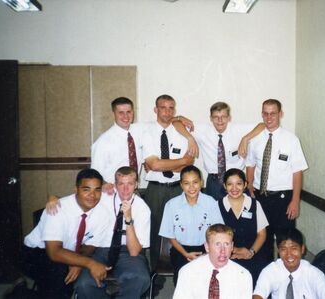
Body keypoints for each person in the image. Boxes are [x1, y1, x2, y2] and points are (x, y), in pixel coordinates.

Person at [23, 169, 111, 299]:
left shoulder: (103, 213)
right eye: (86, 189)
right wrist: (89, 263)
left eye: (97, 190)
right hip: (36, 252)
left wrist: (78, 263)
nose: (92, 195)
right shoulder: (58, 209)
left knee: (74, 276)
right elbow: (53, 252)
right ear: (76, 189)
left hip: (68, 253)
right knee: (60, 274)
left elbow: (89, 246)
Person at [91, 97, 197, 195]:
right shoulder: (103, 141)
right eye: (121, 113)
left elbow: (167, 120)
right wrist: (104, 184)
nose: (126, 116)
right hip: (113, 192)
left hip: (134, 191)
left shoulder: (139, 129)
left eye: (128, 112)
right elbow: (94, 173)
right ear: (113, 114)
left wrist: (187, 133)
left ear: (133, 112)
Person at [73, 167, 151, 299]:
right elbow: (77, 198)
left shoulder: (143, 209)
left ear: (136, 185)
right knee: (84, 283)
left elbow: (134, 252)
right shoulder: (102, 197)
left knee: (140, 278)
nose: (125, 189)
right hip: (99, 249)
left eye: (130, 184)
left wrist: (128, 220)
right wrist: (54, 198)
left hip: (127, 251)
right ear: (115, 185)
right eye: (121, 184)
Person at [246, 99, 308, 261]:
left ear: (280, 114)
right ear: (262, 114)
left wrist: (295, 201)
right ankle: (263, 276)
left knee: (285, 242)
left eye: (273, 113)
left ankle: (284, 276)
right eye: (265, 113)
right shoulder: (256, 139)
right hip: (260, 199)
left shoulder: (291, 140)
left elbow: (297, 172)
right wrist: (250, 188)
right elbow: (250, 165)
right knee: (262, 240)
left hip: (283, 200)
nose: (269, 117)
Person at [142, 94, 196, 269]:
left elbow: (189, 164)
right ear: (155, 110)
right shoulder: (147, 132)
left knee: (182, 228)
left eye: (171, 108)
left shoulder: (181, 132)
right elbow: (153, 164)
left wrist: (161, 165)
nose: (167, 111)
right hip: (156, 190)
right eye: (163, 107)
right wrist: (178, 162)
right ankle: (154, 274)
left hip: (178, 189)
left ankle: (182, 270)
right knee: (155, 231)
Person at [159, 165, 224, 284]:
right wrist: (185, 253)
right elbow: (170, 236)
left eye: (195, 182)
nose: (191, 187)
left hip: (206, 249)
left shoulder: (210, 202)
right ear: (181, 185)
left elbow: (218, 232)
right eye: (186, 183)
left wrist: (207, 253)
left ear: (201, 182)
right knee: (183, 280)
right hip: (180, 249)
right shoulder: (171, 205)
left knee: (205, 281)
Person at [191, 101, 264, 200]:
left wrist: (245, 138)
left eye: (224, 116)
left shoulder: (238, 129)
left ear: (229, 117)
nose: (220, 120)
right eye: (216, 117)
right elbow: (176, 123)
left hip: (235, 182)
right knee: (214, 213)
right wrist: (190, 138)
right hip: (214, 182)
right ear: (210, 118)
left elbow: (262, 125)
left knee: (238, 213)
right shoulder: (202, 130)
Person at [173, 224, 253, 299]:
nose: (223, 250)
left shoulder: (243, 276)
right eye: (217, 244)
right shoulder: (188, 272)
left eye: (226, 244)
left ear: (232, 247)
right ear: (207, 247)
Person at [218, 168, 269, 286]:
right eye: (230, 184)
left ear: (245, 184)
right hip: (227, 254)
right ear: (225, 186)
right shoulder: (218, 205)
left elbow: (262, 234)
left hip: (254, 252)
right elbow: (216, 237)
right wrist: (235, 250)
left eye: (239, 184)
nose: (234, 188)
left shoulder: (255, 204)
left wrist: (251, 252)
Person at [253, 228, 325, 299]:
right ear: (278, 251)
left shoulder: (314, 274)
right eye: (284, 249)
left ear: (302, 249)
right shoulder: (270, 271)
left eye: (294, 248)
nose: (289, 254)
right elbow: (258, 294)